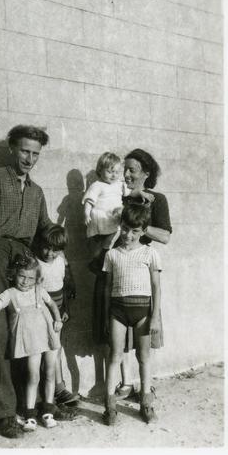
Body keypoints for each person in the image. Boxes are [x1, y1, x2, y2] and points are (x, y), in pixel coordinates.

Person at [0, 124, 53, 439]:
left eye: (35, 153)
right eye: (24, 151)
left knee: (26, 333)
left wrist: (54, 260)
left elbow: (46, 229)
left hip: (24, 260)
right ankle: (2, 412)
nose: (30, 158)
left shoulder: (37, 191)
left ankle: (29, 405)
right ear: (12, 149)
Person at [91, 149, 172, 398]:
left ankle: (141, 385)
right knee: (115, 332)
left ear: (146, 173)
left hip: (138, 270)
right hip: (112, 264)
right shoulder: (117, 194)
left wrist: (138, 227)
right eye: (123, 169)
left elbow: (165, 236)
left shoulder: (156, 199)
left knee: (142, 332)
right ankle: (125, 383)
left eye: (132, 170)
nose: (125, 174)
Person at [0, 253, 63, 432]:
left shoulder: (39, 291)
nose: (25, 282)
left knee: (50, 372)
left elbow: (52, 305)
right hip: (31, 342)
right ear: (13, 274)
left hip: (49, 334)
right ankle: (30, 415)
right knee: (33, 376)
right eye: (21, 276)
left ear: (36, 279)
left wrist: (58, 320)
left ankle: (48, 412)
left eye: (30, 278)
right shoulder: (10, 294)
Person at [102, 204, 162, 425]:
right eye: (125, 229)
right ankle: (109, 407)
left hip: (143, 312)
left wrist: (155, 316)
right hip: (118, 311)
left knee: (143, 357)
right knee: (114, 356)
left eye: (135, 231)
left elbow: (156, 287)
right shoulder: (112, 255)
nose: (128, 235)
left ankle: (146, 403)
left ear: (143, 231)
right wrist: (107, 315)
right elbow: (108, 288)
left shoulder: (150, 253)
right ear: (121, 226)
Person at [83, 152, 153, 265]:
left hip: (114, 217)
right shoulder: (97, 185)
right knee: (97, 244)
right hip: (101, 217)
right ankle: (99, 257)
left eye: (116, 172)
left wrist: (141, 194)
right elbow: (89, 200)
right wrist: (86, 214)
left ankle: (106, 249)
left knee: (118, 231)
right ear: (100, 170)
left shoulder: (119, 184)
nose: (113, 175)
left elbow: (130, 193)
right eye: (110, 172)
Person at [36, 225, 78, 405]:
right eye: (46, 248)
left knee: (56, 348)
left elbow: (65, 287)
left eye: (55, 250)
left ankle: (58, 388)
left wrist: (65, 310)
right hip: (41, 313)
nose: (49, 253)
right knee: (42, 351)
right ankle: (45, 393)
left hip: (58, 314)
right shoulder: (36, 264)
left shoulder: (61, 262)